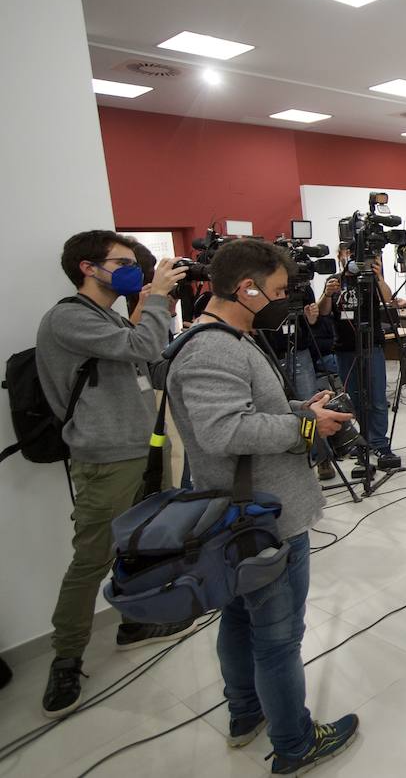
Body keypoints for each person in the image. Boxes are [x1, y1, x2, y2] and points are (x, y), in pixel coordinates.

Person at [166, 239, 360, 772]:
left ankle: (246, 712)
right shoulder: (212, 349)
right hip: (262, 519)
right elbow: (224, 430)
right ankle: (295, 743)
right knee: (277, 639)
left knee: (238, 620)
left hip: (251, 511)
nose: (282, 301)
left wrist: (300, 407)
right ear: (246, 288)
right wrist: (305, 426)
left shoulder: (231, 339)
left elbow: (253, 407)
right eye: (276, 291)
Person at [34, 231, 196, 717]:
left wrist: (173, 323)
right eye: (123, 263)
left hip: (143, 447)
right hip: (107, 457)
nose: (133, 271)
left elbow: (150, 360)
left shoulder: (109, 318)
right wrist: (157, 298)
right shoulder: (68, 318)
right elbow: (141, 343)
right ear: (87, 267)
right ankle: (66, 659)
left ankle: (135, 622)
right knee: (91, 559)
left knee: (140, 547)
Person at [319, 245, 406, 473]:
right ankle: (363, 440)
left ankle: (379, 442)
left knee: (377, 397)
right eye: (348, 253)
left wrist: (378, 277)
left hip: (372, 345)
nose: (352, 258)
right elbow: (324, 312)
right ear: (341, 256)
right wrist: (327, 294)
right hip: (344, 348)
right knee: (354, 398)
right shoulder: (334, 281)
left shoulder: (370, 279)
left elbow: (387, 299)